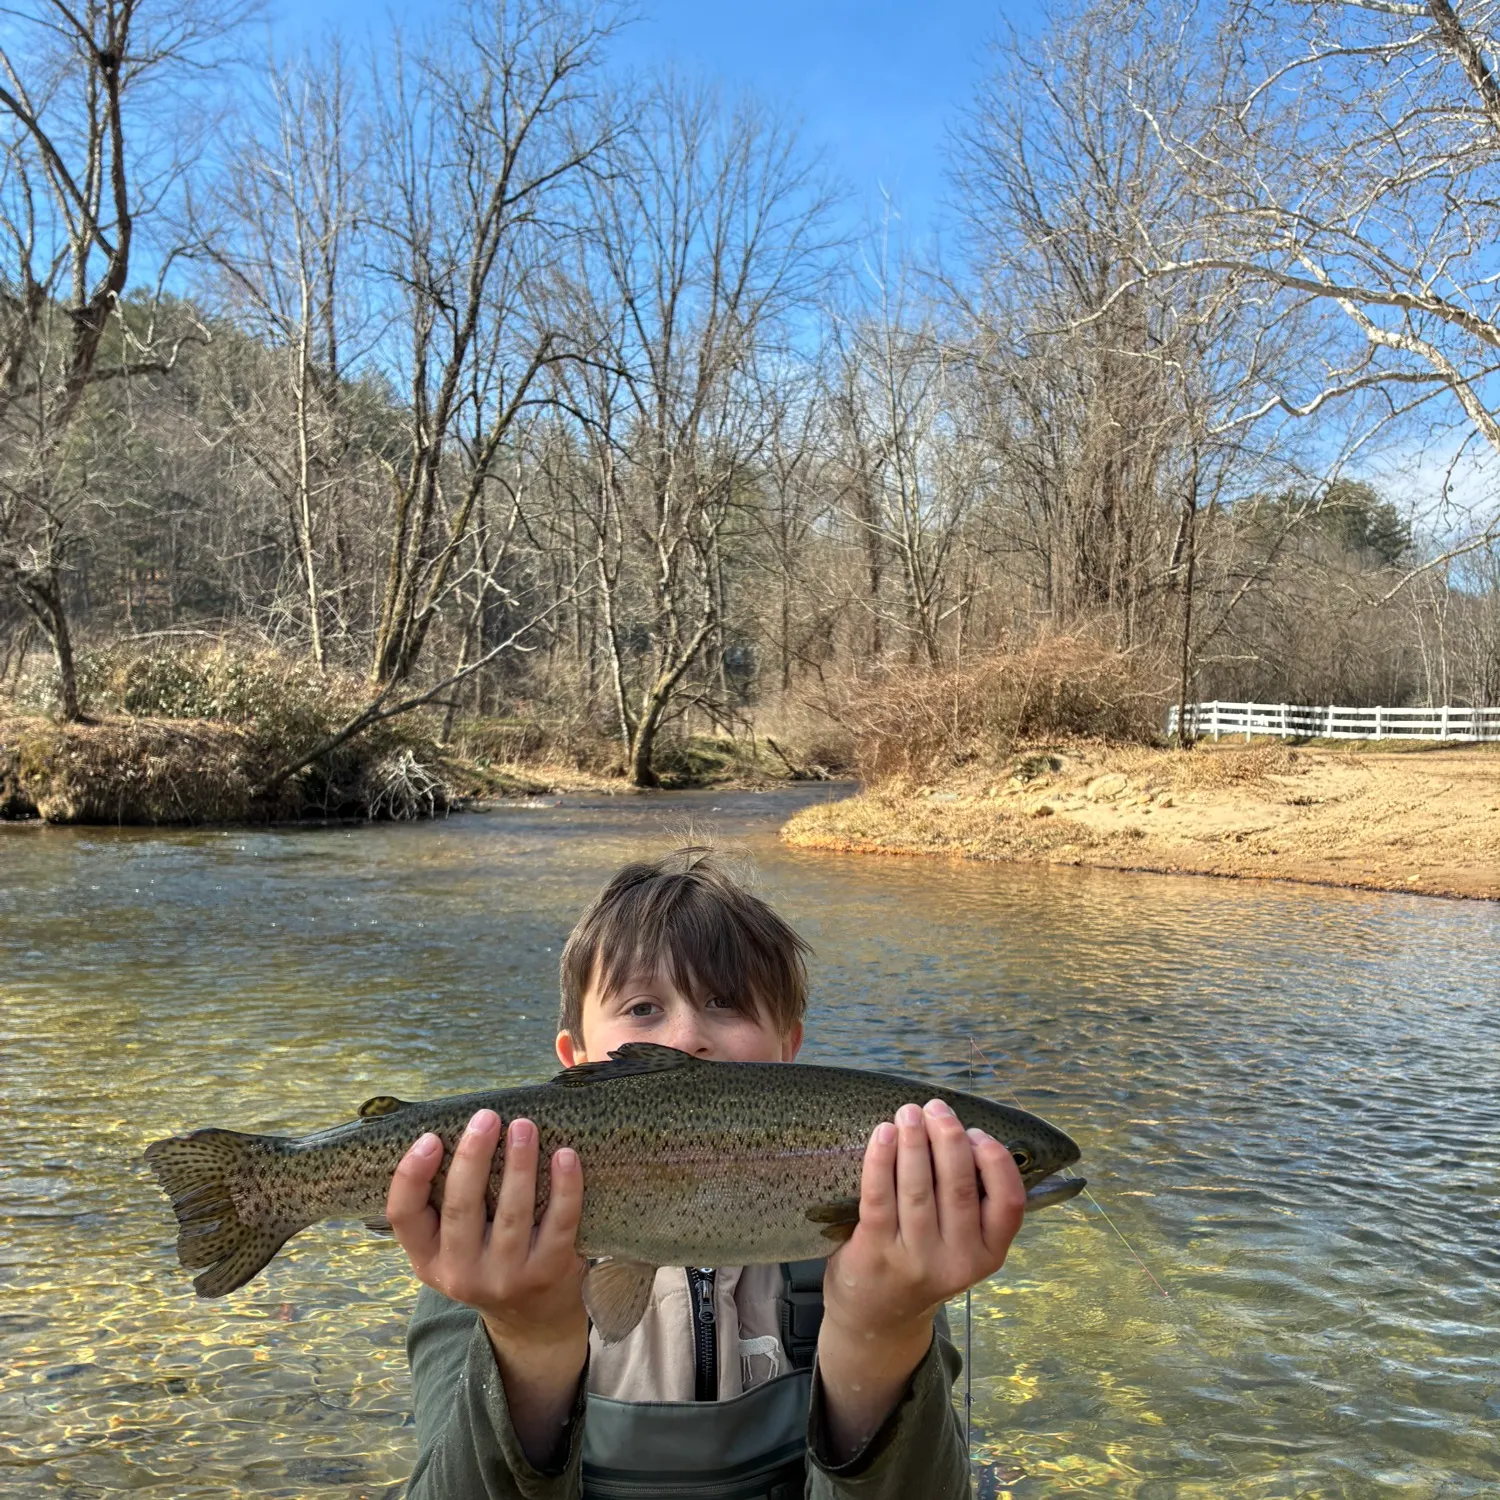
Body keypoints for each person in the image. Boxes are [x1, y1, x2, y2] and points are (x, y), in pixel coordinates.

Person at [387, 847, 1028, 1498]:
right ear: (573, 1057)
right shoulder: (483, 1255)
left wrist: (880, 1332)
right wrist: (525, 1339)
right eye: (642, 1007)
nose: (686, 1035)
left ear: (789, 1050)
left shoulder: (883, 1253)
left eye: (725, 1002)